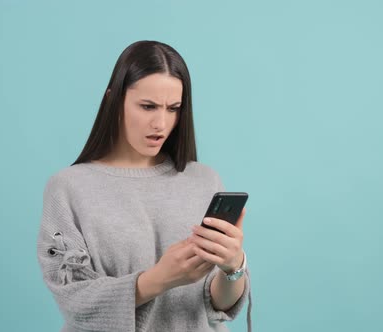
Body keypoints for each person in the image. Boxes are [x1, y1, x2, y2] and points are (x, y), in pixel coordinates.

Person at [36, 40, 252, 332]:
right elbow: (74, 301)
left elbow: (216, 308)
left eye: (173, 108)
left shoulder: (204, 180)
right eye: (147, 106)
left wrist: (233, 266)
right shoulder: (69, 188)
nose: (161, 123)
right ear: (113, 101)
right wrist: (160, 278)